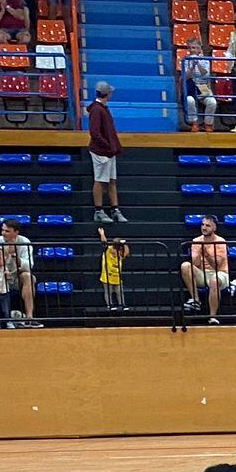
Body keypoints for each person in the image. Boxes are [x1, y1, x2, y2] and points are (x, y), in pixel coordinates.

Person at [0, 220, 38, 328]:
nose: (3, 233)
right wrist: (5, 255)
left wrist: (15, 256)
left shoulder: (25, 242)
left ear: (16, 232)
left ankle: (30, 318)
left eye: (7, 231)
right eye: (2, 230)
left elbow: (29, 266)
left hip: (16, 276)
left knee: (28, 276)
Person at [87, 82, 125, 222]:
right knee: (100, 180)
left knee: (111, 180)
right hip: (101, 152)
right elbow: (95, 132)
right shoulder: (97, 110)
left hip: (109, 151)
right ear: (107, 93)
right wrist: (106, 145)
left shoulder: (102, 108)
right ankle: (98, 210)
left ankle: (115, 209)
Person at [183, 215, 231, 324]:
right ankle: (196, 300)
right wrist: (198, 253)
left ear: (214, 228)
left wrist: (206, 253)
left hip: (220, 273)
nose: (204, 228)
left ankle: (212, 316)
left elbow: (217, 265)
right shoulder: (196, 241)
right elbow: (195, 264)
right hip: (203, 273)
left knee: (214, 280)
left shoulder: (220, 241)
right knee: (185, 266)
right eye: (203, 225)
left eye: (208, 225)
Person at [183, 39, 219, 131]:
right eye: (190, 48)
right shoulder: (185, 60)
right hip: (191, 86)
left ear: (199, 50)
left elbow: (206, 75)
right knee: (189, 100)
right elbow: (186, 77)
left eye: (194, 48)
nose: (192, 50)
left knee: (212, 102)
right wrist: (191, 67)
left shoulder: (205, 60)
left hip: (203, 86)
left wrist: (198, 64)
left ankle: (208, 124)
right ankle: (194, 123)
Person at [99, 231, 130, 310]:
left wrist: (122, 243)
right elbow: (104, 242)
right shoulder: (108, 250)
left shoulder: (121, 253)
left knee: (119, 291)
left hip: (117, 276)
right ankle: (110, 305)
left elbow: (126, 251)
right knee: (108, 291)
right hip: (107, 275)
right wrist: (102, 234)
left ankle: (122, 304)